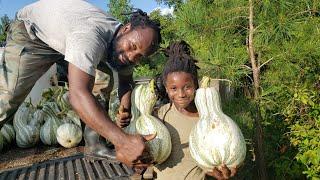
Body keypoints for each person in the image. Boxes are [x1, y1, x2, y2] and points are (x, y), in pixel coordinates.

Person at [0, 0, 161, 168]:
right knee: (8, 98)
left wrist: (125, 108)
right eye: (132, 46)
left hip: (66, 37)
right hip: (32, 34)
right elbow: (78, 95)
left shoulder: (121, 40)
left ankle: (94, 144)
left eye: (139, 56)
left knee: (104, 78)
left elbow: (126, 81)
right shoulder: (89, 35)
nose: (130, 56)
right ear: (126, 28)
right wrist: (122, 141)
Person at [117, 41, 238, 179]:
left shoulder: (212, 122)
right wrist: (122, 124)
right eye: (174, 88)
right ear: (166, 89)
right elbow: (135, 144)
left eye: (187, 87)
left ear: (196, 85)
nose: (181, 94)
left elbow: (225, 154)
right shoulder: (159, 115)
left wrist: (221, 171)